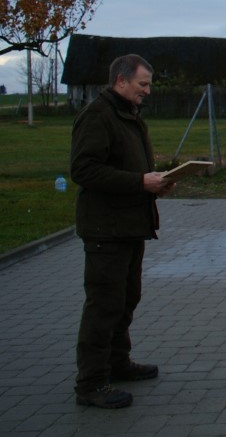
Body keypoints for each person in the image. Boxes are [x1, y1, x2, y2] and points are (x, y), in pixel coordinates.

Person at [71, 54, 174, 409]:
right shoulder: (98, 116)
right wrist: (140, 182)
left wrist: (155, 185)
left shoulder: (129, 115)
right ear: (121, 81)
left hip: (130, 225)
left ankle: (117, 362)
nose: (147, 91)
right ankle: (91, 383)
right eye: (142, 84)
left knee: (126, 300)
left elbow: (129, 169)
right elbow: (84, 170)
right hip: (106, 229)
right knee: (103, 306)